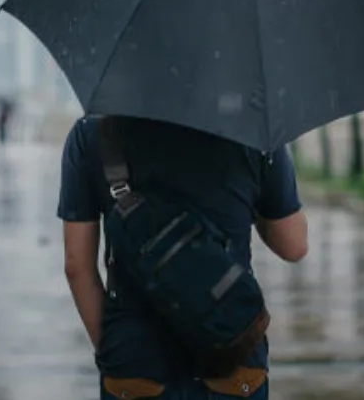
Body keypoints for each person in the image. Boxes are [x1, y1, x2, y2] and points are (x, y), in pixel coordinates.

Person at [58, 115, 308, 399]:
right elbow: (294, 245)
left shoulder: (94, 132)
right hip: (231, 354)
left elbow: (76, 266)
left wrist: (113, 350)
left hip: (135, 362)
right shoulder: (256, 132)